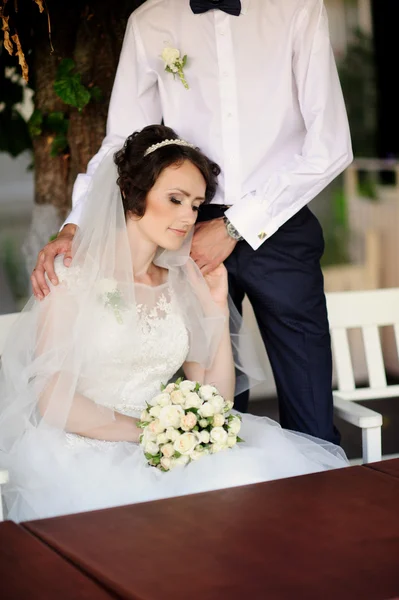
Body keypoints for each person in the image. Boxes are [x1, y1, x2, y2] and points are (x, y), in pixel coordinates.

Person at [31, 0, 353, 445]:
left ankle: (320, 508)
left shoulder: (297, 7)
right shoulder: (150, 19)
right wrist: (75, 224)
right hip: (182, 224)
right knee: (207, 415)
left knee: (310, 410)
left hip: (277, 219)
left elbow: (330, 146)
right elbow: (122, 142)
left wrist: (235, 225)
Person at [0, 126, 348, 522]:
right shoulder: (71, 275)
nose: (189, 217)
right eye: (176, 199)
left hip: (165, 446)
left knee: (254, 480)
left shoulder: (181, 281)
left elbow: (214, 397)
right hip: (84, 451)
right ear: (134, 196)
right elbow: (54, 400)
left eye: (197, 205)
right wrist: (156, 434)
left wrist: (215, 309)